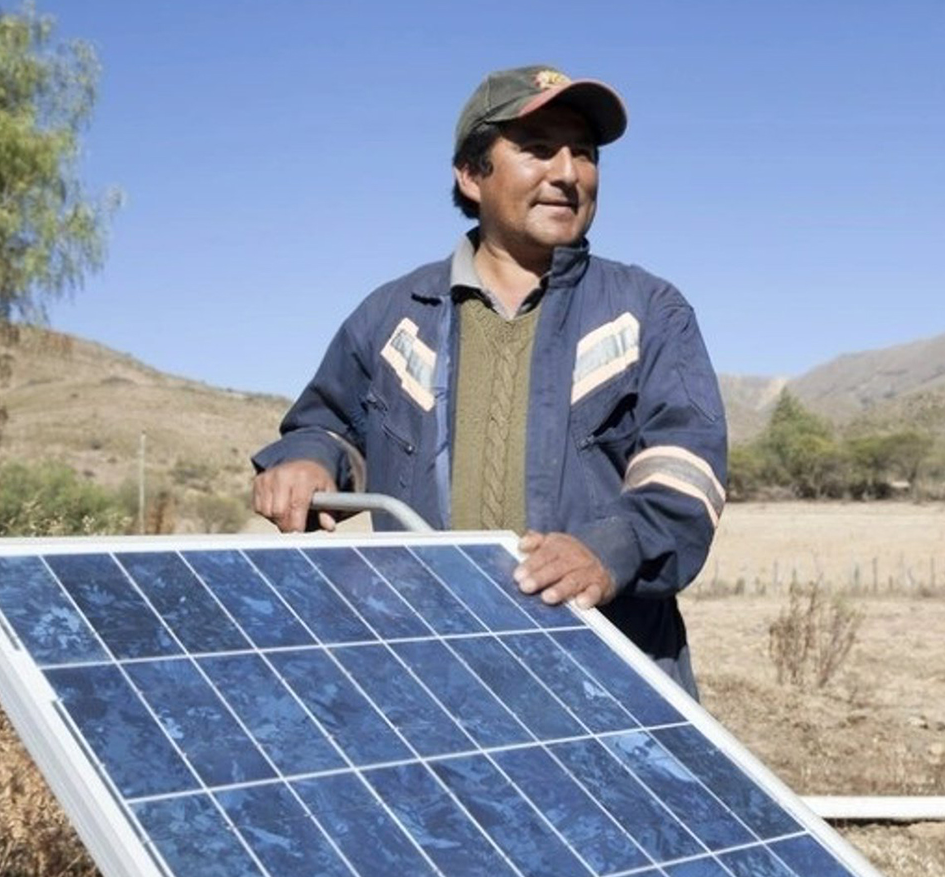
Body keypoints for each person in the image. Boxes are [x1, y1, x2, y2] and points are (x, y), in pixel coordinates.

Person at [251, 64, 726, 697]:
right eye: (537, 149)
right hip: (427, 673)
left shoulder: (647, 310)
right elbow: (329, 424)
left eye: (583, 153)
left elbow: (686, 469)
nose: (567, 173)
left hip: (609, 670)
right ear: (472, 175)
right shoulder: (393, 316)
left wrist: (607, 550)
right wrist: (309, 462)